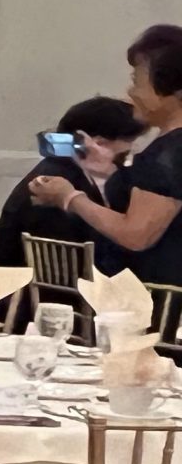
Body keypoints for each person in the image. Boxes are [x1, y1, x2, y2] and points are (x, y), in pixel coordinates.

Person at [29, 32, 182, 283]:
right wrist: (109, 171)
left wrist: (70, 198)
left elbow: (136, 235)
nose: (131, 92)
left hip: (157, 293)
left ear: (172, 91)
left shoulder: (168, 154)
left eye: (138, 82)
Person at [0, 96, 147, 267]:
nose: (132, 152)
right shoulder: (52, 185)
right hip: (45, 280)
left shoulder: (68, 170)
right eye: (127, 147)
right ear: (97, 143)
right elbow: (83, 255)